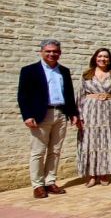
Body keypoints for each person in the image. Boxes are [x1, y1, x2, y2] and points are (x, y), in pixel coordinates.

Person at [17, 39, 79, 199]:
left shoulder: (64, 71)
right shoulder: (29, 71)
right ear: (41, 52)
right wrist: (27, 115)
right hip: (40, 115)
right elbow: (23, 95)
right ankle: (37, 185)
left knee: (55, 151)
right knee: (38, 152)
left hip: (60, 114)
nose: (52, 54)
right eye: (48, 51)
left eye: (55, 51)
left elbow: (69, 94)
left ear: (60, 53)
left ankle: (50, 181)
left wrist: (73, 114)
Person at [75, 48, 111, 187]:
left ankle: (104, 173)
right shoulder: (87, 74)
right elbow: (80, 95)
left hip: (108, 112)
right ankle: (92, 175)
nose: (102, 59)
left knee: (106, 142)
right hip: (90, 112)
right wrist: (79, 116)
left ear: (109, 60)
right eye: (100, 56)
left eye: (105, 57)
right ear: (95, 58)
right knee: (90, 142)